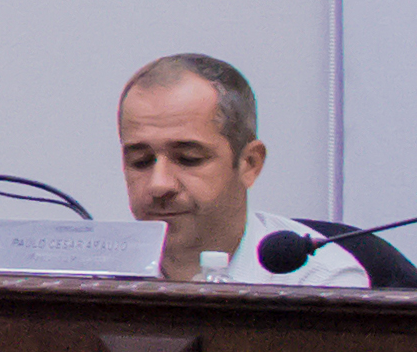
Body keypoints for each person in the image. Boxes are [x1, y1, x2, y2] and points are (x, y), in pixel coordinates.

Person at [120, 51, 367, 288]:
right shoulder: (94, 272)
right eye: (140, 161)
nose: (159, 184)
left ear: (249, 163)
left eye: (188, 158)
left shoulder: (319, 281)